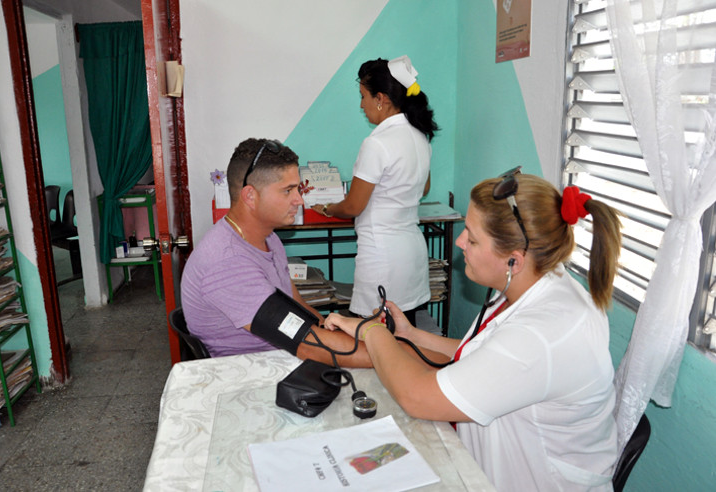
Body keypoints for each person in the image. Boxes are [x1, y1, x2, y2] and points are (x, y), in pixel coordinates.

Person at [324, 169, 622, 491]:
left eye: (472, 236)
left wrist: (372, 332)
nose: (459, 241)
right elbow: (488, 355)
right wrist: (411, 335)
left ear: (514, 261)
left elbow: (416, 397)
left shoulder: (540, 335)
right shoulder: (546, 280)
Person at [180, 138, 372, 367]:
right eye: (288, 190)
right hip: (249, 372)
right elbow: (308, 344)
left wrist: (344, 331)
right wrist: (388, 354)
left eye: (298, 188)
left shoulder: (268, 237)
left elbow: (300, 308)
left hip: (283, 355)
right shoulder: (227, 261)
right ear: (250, 196)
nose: (299, 200)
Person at [311, 55, 439, 325]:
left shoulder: (377, 143)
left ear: (380, 98)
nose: (361, 105)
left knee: (372, 337)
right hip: (411, 252)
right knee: (404, 333)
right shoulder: (420, 136)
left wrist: (327, 208)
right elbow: (424, 186)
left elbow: (353, 206)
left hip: (382, 255)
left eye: (363, 96)